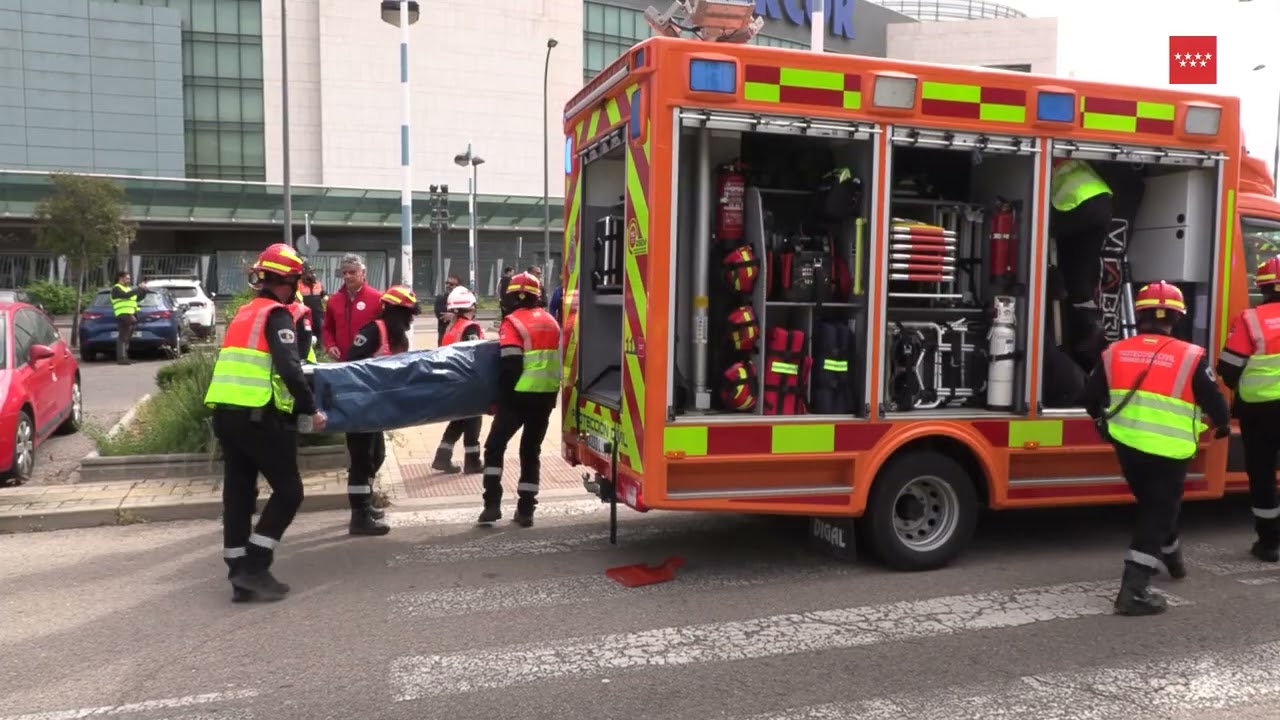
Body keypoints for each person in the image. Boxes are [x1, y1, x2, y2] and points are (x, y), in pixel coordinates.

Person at [1081, 281, 1230, 616]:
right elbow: (1214, 400)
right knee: (1157, 512)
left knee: (1155, 504)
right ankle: (1133, 591)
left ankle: (1173, 558)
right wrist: (1222, 425)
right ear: (1176, 318)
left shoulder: (1114, 352)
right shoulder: (1191, 356)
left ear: (1142, 314)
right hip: (1169, 449)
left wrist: (1102, 422)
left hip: (1127, 445)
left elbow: (1089, 398)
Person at [204, 243, 327, 603]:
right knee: (290, 491)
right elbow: (290, 367)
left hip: (226, 415)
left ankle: (237, 570)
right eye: (296, 281)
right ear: (287, 280)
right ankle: (256, 565)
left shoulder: (244, 312)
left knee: (239, 493)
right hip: (259, 416)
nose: (298, 288)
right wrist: (311, 408)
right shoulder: (276, 314)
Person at [479, 272, 561, 527]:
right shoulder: (551, 321)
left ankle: (492, 504)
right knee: (530, 451)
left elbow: (511, 363)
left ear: (511, 296)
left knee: (494, 448)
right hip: (546, 397)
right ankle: (526, 510)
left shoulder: (512, 322)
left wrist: (500, 399)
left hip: (517, 398)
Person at [343, 284, 422, 536]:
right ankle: (359, 516)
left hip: (376, 410)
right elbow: (351, 366)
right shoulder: (372, 331)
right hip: (360, 407)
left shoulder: (398, 337)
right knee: (361, 460)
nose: (410, 318)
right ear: (392, 311)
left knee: (376, 457)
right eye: (406, 313)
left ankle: (365, 505)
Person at [1216, 256, 1280, 563]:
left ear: (1263, 287)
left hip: (1260, 412)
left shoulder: (1251, 319)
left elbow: (1228, 367)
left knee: (1263, 474)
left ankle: (1269, 543)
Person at [1050, 158, 1114, 360]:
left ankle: (1083, 325)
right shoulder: (1076, 160)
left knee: (1042, 235)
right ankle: (1091, 323)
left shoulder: (1054, 159)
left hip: (1075, 204)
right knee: (1083, 265)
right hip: (1102, 201)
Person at [431, 285, 486, 474]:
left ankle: (442, 457)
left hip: (453, 381)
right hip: (468, 382)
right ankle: (472, 462)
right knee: (473, 421)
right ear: (471, 306)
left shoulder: (452, 326)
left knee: (459, 421)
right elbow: (475, 355)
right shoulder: (470, 327)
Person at [321, 253, 383, 361]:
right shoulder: (334, 301)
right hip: (342, 362)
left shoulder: (378, 298)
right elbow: (327, 328)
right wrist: (330, 345)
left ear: (363, 272)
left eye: (352, 272)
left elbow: (385, 329)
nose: (347, 276)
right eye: (345, 273)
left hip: (369, 362)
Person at [110, 271, 147, 365]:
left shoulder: (128, 289)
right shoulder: (116, 288)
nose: (129, 280)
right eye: (127, 278)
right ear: (120, 278)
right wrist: (138, 288)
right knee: (123, 337)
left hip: (130, 314)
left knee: (126, 338)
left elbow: (137, 298)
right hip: (123, 314)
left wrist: (143, 291)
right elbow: (125, 296)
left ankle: (125, 357)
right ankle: (121, 359)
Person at [297, 262, 327, 356]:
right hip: (305, 313)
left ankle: (320, 349)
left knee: (320, 329)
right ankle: (308, 350)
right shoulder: (298, 284)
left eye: (311, 272)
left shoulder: (318, 284)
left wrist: (327, 300)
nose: (311, 274)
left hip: (318, 312)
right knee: (306, 331)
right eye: (307, 272)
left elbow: (324, 296)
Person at [433, 274, 461, 346]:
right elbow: (441, 315)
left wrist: (454, 316)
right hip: (444, 334)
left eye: (451, 284)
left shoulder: (463, 298)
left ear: (458, 286)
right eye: (447, 283)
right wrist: (458, 315)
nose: (448, 286)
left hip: (460, 334)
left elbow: (470, 314)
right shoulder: (441, 298)